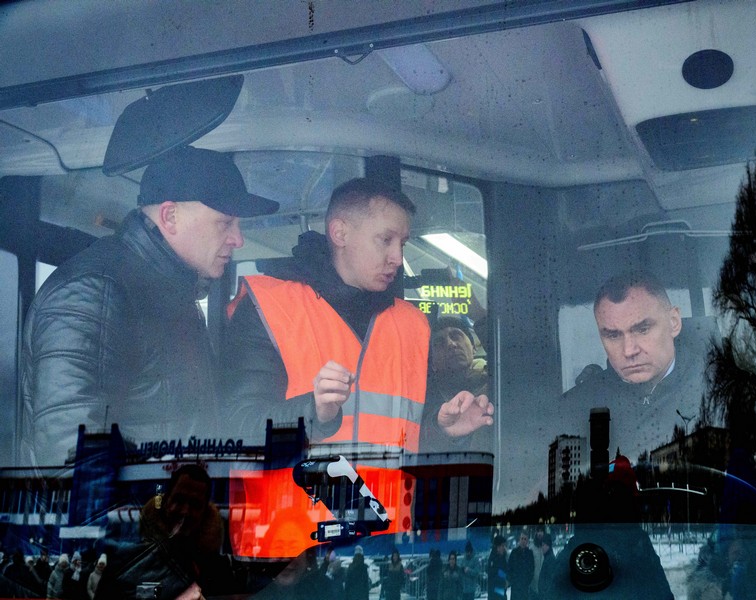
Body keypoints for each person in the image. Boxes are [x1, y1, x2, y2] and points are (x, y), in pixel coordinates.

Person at [220, 178, 493, 555]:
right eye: (385, 240)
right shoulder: (269, 309)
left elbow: (407, 435)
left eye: (403, 243)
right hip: (290, 553)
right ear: (340, 233)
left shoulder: (412, 325)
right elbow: (235, 427)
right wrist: (312, 412)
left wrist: (444, 427)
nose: (397, 257)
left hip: (385, 547)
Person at [19, 146, 278, 467]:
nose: (238, 239)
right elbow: (72, 460)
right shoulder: (96, 291)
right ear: (170, 216)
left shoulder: (169, 294)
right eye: (224, 223)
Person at [562, 270, 708, 466]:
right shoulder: (574, 409)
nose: (629, 350)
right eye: (613, 335)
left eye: (643, 329)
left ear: (674, 322)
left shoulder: (724, 389)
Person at [96, 464, 236, 600]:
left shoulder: (219, 571)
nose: (185, 511)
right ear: (165, 502)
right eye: (179, 500)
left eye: (195, 504)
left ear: (205, 512)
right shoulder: (127, 560)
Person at [419, 317, 492, 453]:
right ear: (432, 362)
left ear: (474, 348)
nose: (451, 344)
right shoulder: (422, 397)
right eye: (439, 343)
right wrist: (441, 428)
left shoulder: (496, 382)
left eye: (456, 336)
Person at [507, 532, 534, 600]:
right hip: (515, 587)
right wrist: (512, 580)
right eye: (522, 539)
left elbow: (531, 569)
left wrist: (527, 581)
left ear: (527, 541)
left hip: (525, 587)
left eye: (525, 539)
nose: (523, 541)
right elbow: (509, 567)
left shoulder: (529, 553)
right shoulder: (514, 552)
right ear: (519, 540)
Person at [486, 535, 508, 600]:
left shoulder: (503, 557)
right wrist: (504, 582)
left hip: (501, 591)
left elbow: (505, 571)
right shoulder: (493, 559)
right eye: (502, 546)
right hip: (494, 593)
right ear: (498, 547)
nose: (504, 548)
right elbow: (493, 576)